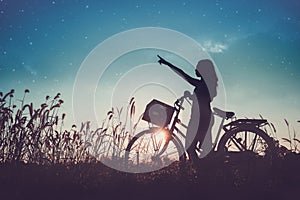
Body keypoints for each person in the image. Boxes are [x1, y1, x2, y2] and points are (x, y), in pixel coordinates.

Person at [157, 55, 218, 163]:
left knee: (193, 147)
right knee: (199, 147)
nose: (195, 70)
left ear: (204, 70)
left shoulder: (204, 84)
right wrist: (168, 64)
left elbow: (205, 97)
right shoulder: (203, 84)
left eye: (198, 68)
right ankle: (203, 170)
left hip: (201, 118)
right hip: (200, 117)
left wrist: (168, 64)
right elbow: (185, 76)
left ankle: (200, 170)